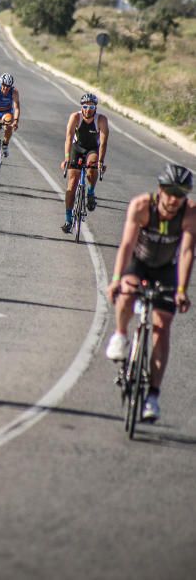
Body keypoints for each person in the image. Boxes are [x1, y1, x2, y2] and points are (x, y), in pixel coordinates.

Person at [105, 164, 196, 421]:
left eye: (181, 193)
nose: (174, 199)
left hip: (167, 268)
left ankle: (153, 396)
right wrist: (115, 280)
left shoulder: (190, 213)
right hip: (140, 263)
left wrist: (181, 290)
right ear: (160, 189)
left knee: (162, 325)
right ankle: (121, 335)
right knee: (126, 292)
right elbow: (127, 244)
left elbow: (188, 251)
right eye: (169, 191)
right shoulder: (142, 206)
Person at [60, 93, 109, 233]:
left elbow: (104, 143)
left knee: (93, 165)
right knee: (72, 182)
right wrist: (67, 158)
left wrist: (100, 161)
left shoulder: (101, 120)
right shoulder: (75, 117)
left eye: (91, 107)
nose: (88, 109)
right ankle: (68, 218)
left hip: (92, 149)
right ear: (81, 107)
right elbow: (68, 138)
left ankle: (91, 192)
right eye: (85, 106)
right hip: (77, 148)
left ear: (95, 108)